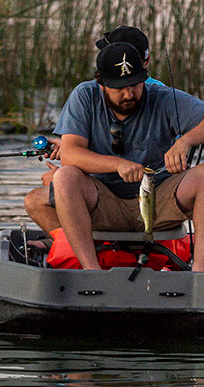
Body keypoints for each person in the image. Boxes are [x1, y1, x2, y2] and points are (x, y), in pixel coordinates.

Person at [29, 37, 204, 272]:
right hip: (104, 201)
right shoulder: (84, 96)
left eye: (135, 84)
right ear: (102, 84)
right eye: (120, 88)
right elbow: (70, 154)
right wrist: (118, 165)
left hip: (158, 198)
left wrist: (186, 141)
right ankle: (92, 272)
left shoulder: (162, 97)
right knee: (64, 176)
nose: (129, 94)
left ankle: (199, 273)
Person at [25, 25, 161, 234]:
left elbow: (135, 155)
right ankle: (77, 249)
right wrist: (70, 148)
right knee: (42, 194)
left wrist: (64, 175)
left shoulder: (151, 95)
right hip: (102, 186)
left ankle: (77, 252)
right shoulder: (92, 93)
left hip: (139, 195)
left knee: (52, 188)